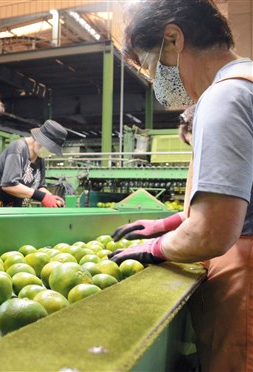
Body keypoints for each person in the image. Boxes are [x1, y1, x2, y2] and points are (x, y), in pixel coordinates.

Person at [107, 1, 253, 371]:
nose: (156, 81)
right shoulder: (247, 81)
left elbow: (213, 232)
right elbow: (239, 196)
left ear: (173, 39)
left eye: (152, 65)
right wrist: (172, 223)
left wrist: (155, 248)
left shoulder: (225, 98)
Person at [0, 120, 67, 207]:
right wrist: (42, 197)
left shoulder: (40, 157)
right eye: (49, 148)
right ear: (39, 140)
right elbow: (9, 185)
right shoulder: (18, 148)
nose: (49, 153)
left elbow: (39, 186)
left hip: (15, 205)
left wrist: (51, 197)